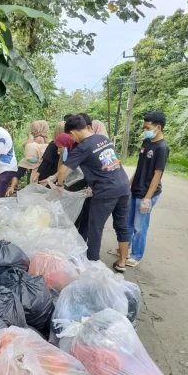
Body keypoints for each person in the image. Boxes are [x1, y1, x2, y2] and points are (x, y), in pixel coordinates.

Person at [53, 115, 131, 271]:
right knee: (122, 226)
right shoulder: (104, 139)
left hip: (106, 192)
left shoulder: (83, 147)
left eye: (70, 136)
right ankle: (122, 262)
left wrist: (60, 185)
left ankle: (92, 265)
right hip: (123, 186)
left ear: (73, 132)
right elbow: (103, 165)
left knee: (95, 228)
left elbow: (63, 170)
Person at [109, 111, 170, 267]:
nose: (145, 129)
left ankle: (136, 255)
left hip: (147, 193)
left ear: (159, 127)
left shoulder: (162, 148)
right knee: (128, 222)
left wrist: (147, 198)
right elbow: (140, 167)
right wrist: (129, 183)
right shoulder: (146, 142)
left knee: (139, 226)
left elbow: (157, 174)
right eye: (144, 127)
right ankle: (125, 250)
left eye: (148, 127)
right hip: (135, 189)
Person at [6, 120, 49, 196]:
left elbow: (32, 150)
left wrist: (30, 140)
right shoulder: (45, 142)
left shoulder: (38, 140)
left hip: (34, 175)